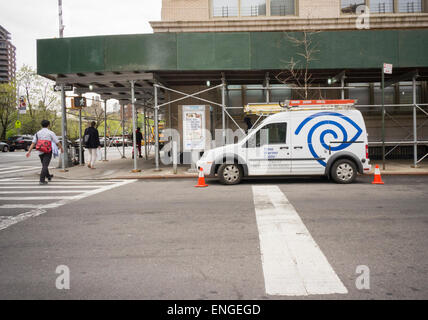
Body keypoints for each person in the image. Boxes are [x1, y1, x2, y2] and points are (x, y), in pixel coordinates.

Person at [26, 120, 64, 185]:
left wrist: (29, 151)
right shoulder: (51, 133)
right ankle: (42, 180)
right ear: (48, 125)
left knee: (44, 165)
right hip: (48, 151)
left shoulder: (37, 133)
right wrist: (61, 148)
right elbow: (57, 142)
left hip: (40, 151)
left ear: (41, 125)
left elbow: (33, 143)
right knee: (45, 166)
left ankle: (48, 176)